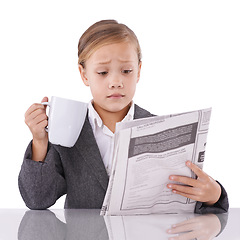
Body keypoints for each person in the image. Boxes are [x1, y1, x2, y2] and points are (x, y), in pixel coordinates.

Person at [19, 20, 228, 213]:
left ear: (138, 71)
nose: (116, 81)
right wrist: (40, 141)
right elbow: (37, 200)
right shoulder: (66, 129)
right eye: (102, 72)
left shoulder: (161, 129)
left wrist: (214, 195)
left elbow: (188, 195)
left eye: (126, 70)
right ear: (84, 74)